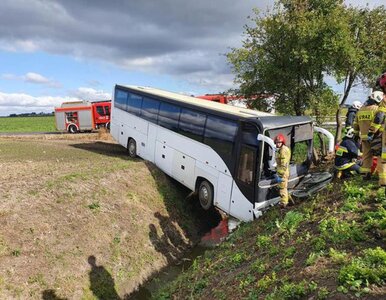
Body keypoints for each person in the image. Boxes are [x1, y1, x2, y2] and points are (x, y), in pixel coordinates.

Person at [353, 91, 383, 177]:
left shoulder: (361, 109)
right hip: (376, 137)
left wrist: (355, 134)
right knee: (380, 156)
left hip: (364, 137)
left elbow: (355, 123)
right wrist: (372, 132)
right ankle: (381, 177)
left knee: (366, 156)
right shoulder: (376, 109)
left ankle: (365, 174)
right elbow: (379, 120)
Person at [273, 133, 292, 208]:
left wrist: (280, 175)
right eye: (277, 143)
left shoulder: (283, 151)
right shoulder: (282, 149)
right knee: (285, 188)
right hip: (284, 172)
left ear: (282, 142)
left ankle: (284, 204)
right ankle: (289, 201)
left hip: (283, 173)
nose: (278, 144)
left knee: (282, 189)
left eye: (279, 142)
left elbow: (284, 164)